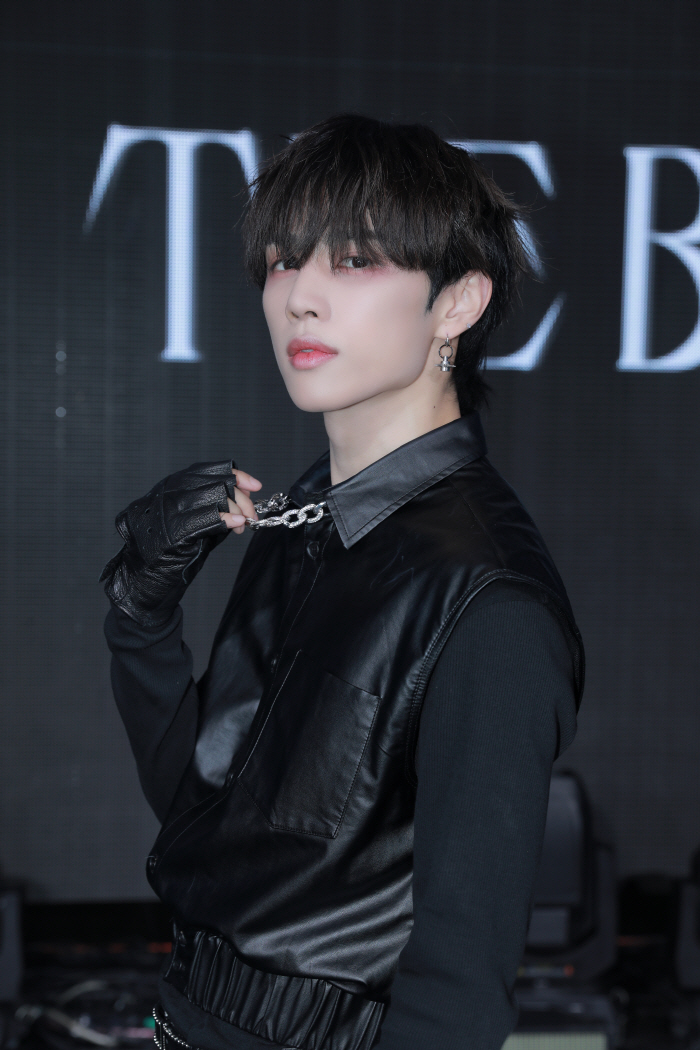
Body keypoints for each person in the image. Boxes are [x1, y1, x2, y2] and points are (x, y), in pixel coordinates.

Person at [102, 114, 584, 1050]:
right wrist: (142, 614)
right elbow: (209, 820)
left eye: (356, 261)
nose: (300, 299)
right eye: (285, 260)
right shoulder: (303, 516)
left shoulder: (491, 604)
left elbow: (459, 990)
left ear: (457, 302)